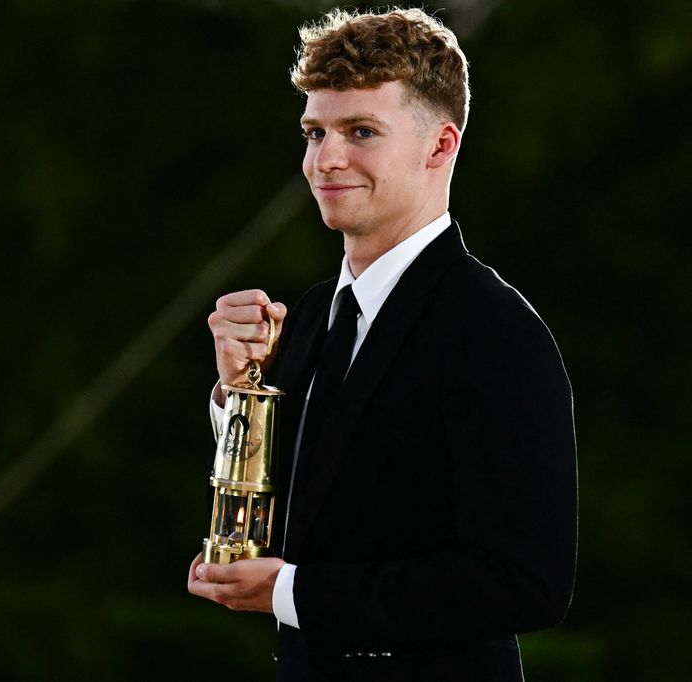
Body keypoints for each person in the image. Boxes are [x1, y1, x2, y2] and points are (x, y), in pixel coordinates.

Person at [187, 8, 578, 681]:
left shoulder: (497, 331)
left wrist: (289, 593)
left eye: (361, 131)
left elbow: (527, 582)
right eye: (315, 133)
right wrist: (238, 394)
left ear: (441, 145)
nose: (325, 159)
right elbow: (324, 506)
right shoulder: (311, 315)